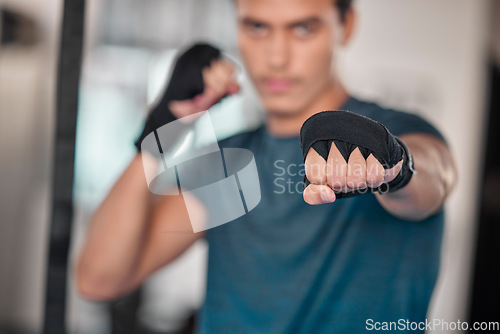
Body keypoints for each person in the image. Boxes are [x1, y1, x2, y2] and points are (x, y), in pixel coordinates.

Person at [76, 0, 458, 333]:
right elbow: (98, 279)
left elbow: (432, 179)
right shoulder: (228, 166)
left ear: (346, 26)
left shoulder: (399, 133)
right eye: (257, 27)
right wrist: (157, 133)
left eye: (303, 28)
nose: (276, 57)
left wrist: (394, 167)